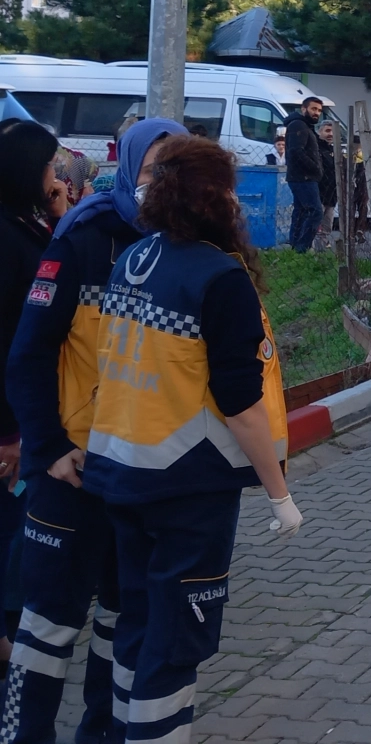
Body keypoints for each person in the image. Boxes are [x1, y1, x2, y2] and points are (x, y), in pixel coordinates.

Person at [82, 135, 300, 744]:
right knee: (175, 642)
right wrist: (279, 493)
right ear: (216, 197)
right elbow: (241, 405)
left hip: (122, 473)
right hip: (187, 486)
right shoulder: (218, 278)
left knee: (137, 622)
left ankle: (124, 732)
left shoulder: (134, 257)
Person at [3, 118, 186, 744]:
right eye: (153, 168)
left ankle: (101, 735)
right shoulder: (81, 237)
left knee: (120, 619)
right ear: (129, 167)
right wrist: (49, 449)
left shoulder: (192, 245)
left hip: (136, 479)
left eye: (177, 167)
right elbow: (28, 356)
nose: (164, 181)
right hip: (69, 474)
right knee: (48, 625)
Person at [0, 121, 72, 674]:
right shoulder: (6, 237)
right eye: (50, 168)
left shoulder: (26, 223)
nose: (57, 178)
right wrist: (11, 431)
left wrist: (57, 214)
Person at [282, 97, 324, 252]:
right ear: (304, 108)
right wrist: (314, 168)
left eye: (319, 110)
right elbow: (296, 150)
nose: (316, 113)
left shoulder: (303, 125)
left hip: (302, 176)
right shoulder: (299, 125)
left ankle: (296, 248)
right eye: (313, 109)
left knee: (301, 211)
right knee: (315, 212)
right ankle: (301, 248)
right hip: (303, 177)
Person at [316, 120, 338, 250]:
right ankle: (312, 252)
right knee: (315, 225)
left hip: (331, 194)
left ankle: (322, 252)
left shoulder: (333, 149)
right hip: (319, 192)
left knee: (327, 226)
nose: (330, 134)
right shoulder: (317, 149)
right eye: (327, 131)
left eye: (333, 131)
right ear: (320, 132)